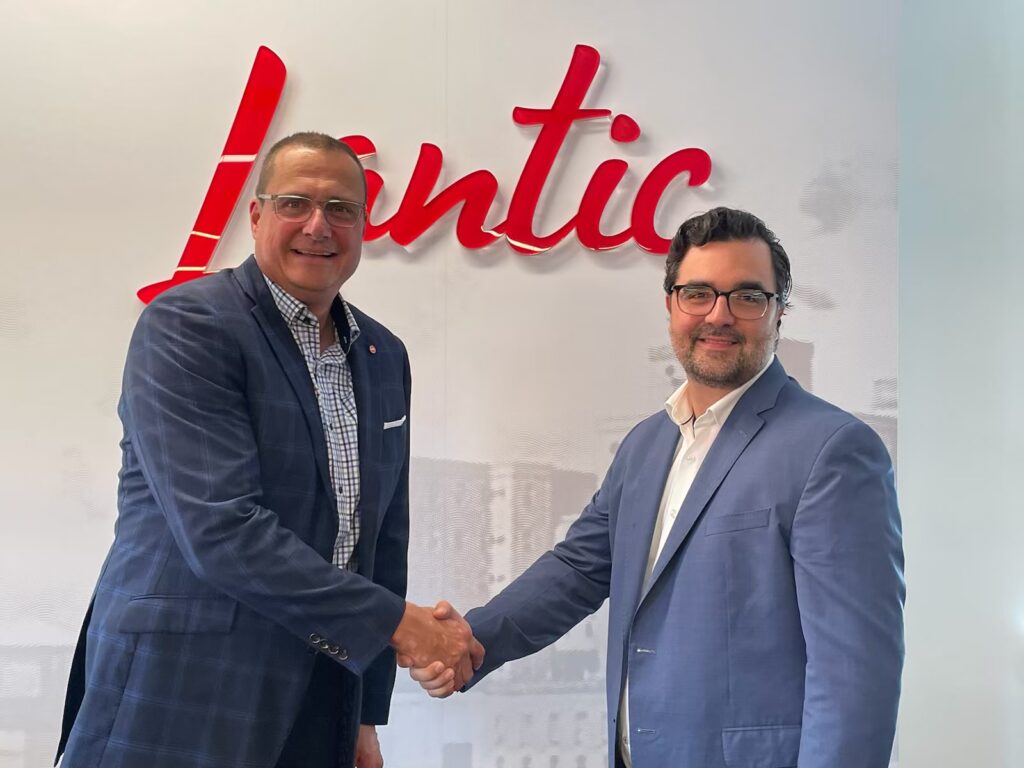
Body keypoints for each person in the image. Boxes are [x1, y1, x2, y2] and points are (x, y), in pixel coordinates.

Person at [409, 208, 905, 768]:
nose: (718, 315)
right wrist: (473, 639)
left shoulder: (833, 449)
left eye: (747, 296)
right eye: (698, 293)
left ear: (779, 311)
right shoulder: (646, 443)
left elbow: (854, 673)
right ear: (671, 304)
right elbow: (578, 570)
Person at [57, 132, 480, 768]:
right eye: (295, 203)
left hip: (324, 684)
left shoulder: (382, 353)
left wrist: (364, 712)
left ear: (363, 225)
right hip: (185, 684)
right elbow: (221, 528)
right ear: (256, 215)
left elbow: (381, 539)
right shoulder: (189, 326)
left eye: (341, 208)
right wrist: (398, 625)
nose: (318, 225)